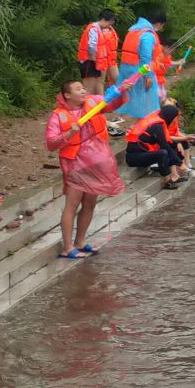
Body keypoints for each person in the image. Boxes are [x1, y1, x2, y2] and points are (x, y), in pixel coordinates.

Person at [46, 78, 127, 260]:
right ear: (67, 95)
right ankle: (67, 247)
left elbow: (112, 104)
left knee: (89, 204)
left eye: (83, 88)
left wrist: (123, 92)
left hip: (95, 164)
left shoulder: (94, 101)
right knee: (72, 205)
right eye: (78, 89)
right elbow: (51, 144)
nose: (83, 91)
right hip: (75, 164)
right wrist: (69, 132)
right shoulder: (58, 116)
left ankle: (80, 241)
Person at [116, 12, 180, 122]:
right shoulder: (148, 35)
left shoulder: (133, 30)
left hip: (126, 69)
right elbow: (145, 58)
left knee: (132, 98)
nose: (161, 28)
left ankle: (132, 122)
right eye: (162, 26)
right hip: (140, 70)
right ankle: (143, 126)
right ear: (159, 23)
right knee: (146, 100)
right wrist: (147, 76)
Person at [125, 104, 189, 188]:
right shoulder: (156, 126)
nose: (174, 121)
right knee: (163, 153)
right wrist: (180, 164)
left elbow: (166, 141)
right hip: (134, 157)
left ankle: (174, 176)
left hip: (144, 152)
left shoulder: (157, 120)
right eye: (174, 119)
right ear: (169, 117)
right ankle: (167, 182)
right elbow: (164, 146)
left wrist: (177, 144)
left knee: (172, 146)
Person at [78, 10, 117, 86]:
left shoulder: (101, 28)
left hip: (99, 60)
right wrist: (94, 59)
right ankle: (95, 97)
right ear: (104, 19)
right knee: (91, 86)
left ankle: (101, 98)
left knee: (97, 83)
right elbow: (91, 45)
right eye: (109, 23)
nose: (109, 25)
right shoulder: (94, 28)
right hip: (90, 61)